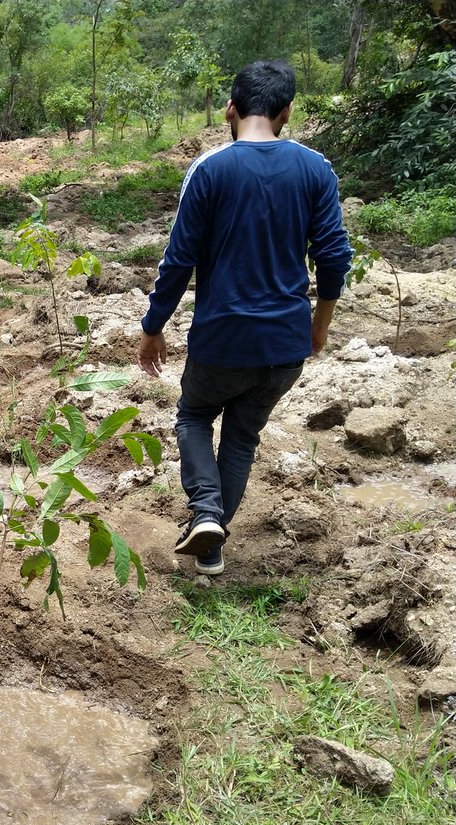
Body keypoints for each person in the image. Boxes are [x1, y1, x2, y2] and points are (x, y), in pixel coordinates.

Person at [136, 59, 352, 576]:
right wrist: (319, 323)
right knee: (241, 437)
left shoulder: (210, 169)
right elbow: (334, 257)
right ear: (287, 112)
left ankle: (206, 511)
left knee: (192, 415)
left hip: (222, 340)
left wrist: (152, 326)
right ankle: (210, 547)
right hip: (284, 345)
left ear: (230, 109)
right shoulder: (315, 169)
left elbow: (178, 259)